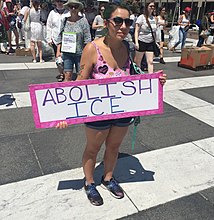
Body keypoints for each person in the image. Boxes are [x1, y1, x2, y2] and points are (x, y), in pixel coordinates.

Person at [56, 3, 166, 206]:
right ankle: (89, 183)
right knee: (93, 148)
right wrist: (64, 113)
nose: (123, 26)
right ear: (107, 23)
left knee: (114, 146)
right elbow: (80, 82)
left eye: (128, 22)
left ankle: (108, 177)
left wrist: (153, 82)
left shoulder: (127, 47)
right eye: (118, 21)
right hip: (97, 111)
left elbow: (132, 77)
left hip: (121, 110)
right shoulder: (92, 49)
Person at [56, 0, 91, 81]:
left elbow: (87, 38)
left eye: (76, 6)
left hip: (80, 54)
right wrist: (58, 51)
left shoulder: (83, 21)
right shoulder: (64, 20)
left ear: (79, 8)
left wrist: (87, 54)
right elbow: (60, 36)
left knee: (82, 76)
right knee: (67, 75)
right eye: (71, 6)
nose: (73, 8)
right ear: (68, 8)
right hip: (67, 53)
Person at [46, 0, 69, 81]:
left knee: (66, 58)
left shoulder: (68, 12)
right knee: (58, 59)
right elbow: (49, 26)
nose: (60, 3)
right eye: (58, 1)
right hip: (55, 39)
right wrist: (49, 38)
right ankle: (61, 73)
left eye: (62, 1)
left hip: (67, 39)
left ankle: (67, 73)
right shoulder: (52, 13)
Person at [134, 0, 157, 73]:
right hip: (142, 41)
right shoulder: (141, 17)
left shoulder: (154, 18)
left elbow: (154, 32)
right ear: (147, 7)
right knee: (138, 62)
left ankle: (151, 77)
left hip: (150, 42)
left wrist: (156, 42)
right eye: (150, 6)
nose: (152, 8)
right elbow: (136, 30)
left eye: (153, 6)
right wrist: (136, 42)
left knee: (150, 61)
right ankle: (138, 76)